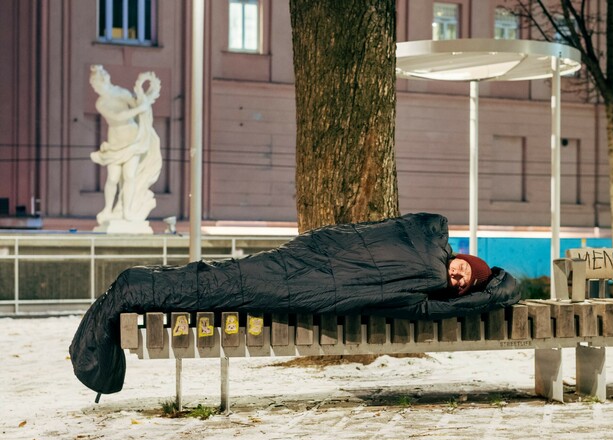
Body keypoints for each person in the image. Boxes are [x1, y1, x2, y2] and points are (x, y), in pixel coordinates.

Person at [70, 212, 520, 395]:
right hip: (307, 261)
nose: (459, 278)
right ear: (459, 256)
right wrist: (488, 280)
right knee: (223, 280)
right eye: (464, 269)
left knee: (224, 284)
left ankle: (133, 290)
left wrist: (488, 288)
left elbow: (488, 297)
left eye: (465, 284)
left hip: (304, 282)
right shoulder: (426, 245)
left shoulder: (426, 295)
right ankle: (133, 289)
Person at [89, 65, 162, 225]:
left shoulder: (122, 93)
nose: (95, 89)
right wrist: (139, 109)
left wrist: (144, 101)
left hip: (133, 142)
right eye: (94, 86)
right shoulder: (100, 103)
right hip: (115, 144)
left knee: (130, 176)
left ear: (104, 81)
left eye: (96, 85)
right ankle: (108, 209)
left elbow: (137, 105)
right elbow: (117, 117)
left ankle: (127, 211)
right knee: (113, 178)